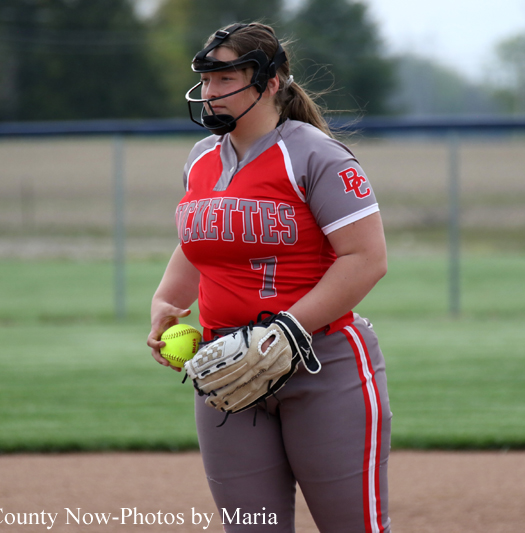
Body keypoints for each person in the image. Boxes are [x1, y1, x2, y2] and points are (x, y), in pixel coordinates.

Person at [146, 22, 392, 532]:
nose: (209, 92)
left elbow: (366, 258)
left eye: (223, 78)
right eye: (206, 79)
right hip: (226, 369)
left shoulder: (315, 154)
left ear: (271, 81)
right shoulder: (201, 160)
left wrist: (286, 330)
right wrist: (166, 300)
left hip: (322, 365)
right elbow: (205, 239)